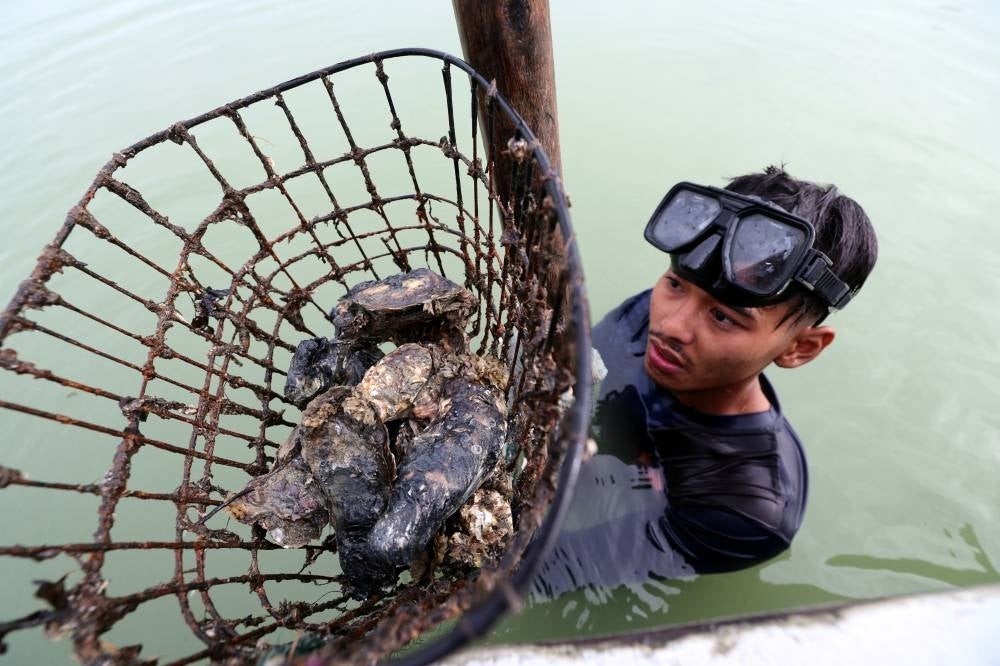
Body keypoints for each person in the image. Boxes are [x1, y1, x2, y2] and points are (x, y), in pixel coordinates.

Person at [531, 166, 878, 600]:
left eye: (722, 317)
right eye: (675, 284)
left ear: (800, 348)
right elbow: (566, 383)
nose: (670, 325)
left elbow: (553, 571)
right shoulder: (646, 314)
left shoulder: (746, 509)